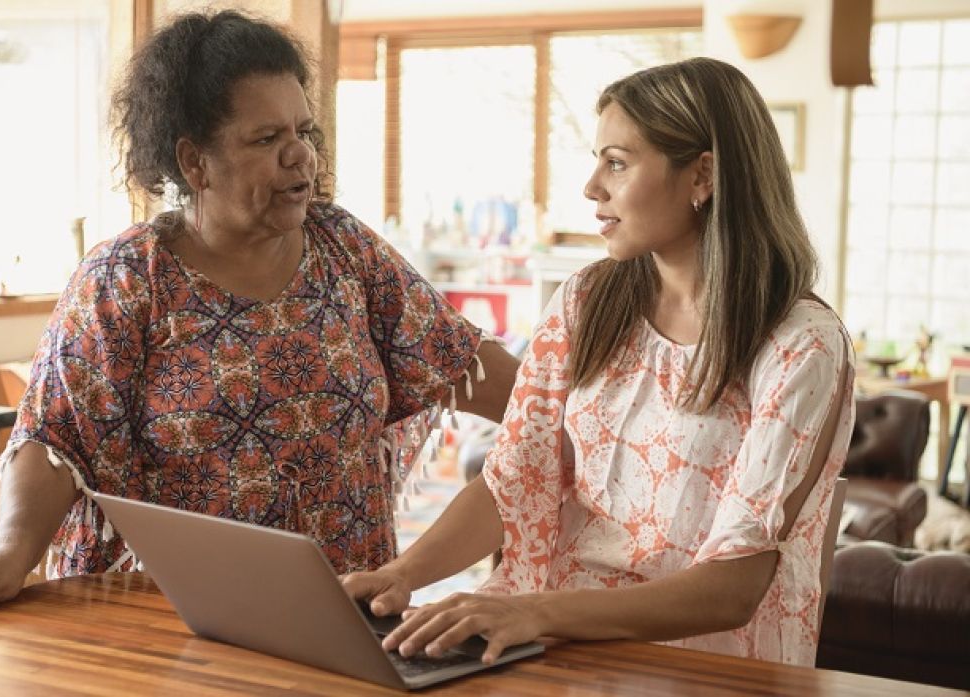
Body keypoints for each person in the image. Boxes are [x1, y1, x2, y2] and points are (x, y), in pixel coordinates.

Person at [0, 9, 517, 615]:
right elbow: (55, 436)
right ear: (193, 162)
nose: (300, 157)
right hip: (166, 625)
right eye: (267, 139)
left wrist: (592, 420)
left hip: (341, 620)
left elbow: (493, 381)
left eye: (304, 133)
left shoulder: (346, 249)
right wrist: (11, 550)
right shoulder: (127, 278)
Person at [343, 57, 855, 668]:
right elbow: (514, 480)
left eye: (617, 162)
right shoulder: (586, 302)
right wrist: (403, 575)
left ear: (703, 176)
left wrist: (534, 611)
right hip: (554, 642)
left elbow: (733, 588)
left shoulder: (803, 346)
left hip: (707, 663)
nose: (591, 187)